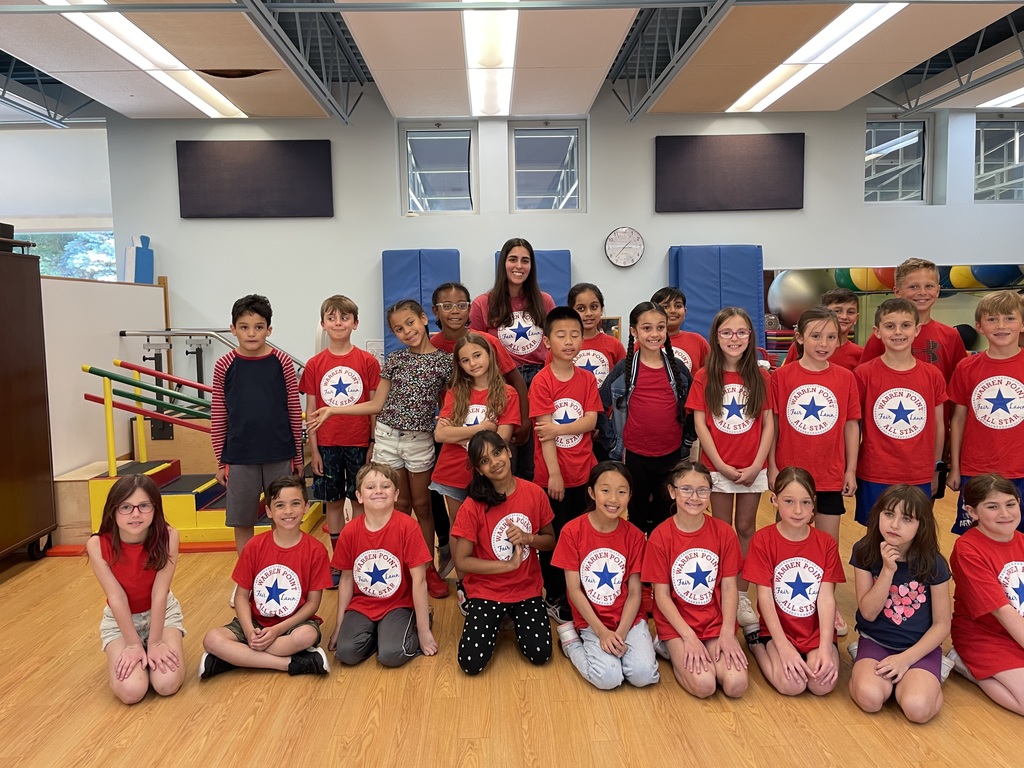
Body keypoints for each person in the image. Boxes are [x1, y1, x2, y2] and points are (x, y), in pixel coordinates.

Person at [307, 299, 452, 598]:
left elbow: (446, 405)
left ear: (424, 319)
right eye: (399, 329)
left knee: (423, 506)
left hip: (419, 441)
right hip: (387, 437)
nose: (407, 331)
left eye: (410, 323)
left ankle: (427, 568)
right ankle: (401, 566)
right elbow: (376, 404)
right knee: (398, 506)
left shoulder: (443, 362)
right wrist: (334, 410)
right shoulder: (395, 360)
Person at [212, 293, 303, 606]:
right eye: (244, 326)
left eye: (258, 326)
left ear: (269, 329)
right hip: (239, 457)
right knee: (242, 521)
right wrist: (221, 458)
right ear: (233, 329)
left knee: (287, 516)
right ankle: (247, 582)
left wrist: (298, 456)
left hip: (279, 455)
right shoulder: (225, 364)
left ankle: (287, 574)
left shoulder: (282, 363)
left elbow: (293, 407)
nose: (252, 333)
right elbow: (219, 413)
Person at [686, 307, 772, 632]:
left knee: (747, 527)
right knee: (722, 529)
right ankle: (722, 588)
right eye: (727, 333)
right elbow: (700, 424)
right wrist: (719, 464)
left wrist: (756, 465)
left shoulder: (761, 377)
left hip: (753, 467)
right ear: (716, 337)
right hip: (718, 467)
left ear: (750, 337)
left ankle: (742, 592)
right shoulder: (704, 376)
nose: (734, 339)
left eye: (741, 332)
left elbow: (768, 424)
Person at [199, 475, 333, 679]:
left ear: (306, 506)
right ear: (269, 511)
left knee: (307, 636)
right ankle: (290, 664)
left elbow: (312, 605)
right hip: (256, 623)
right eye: (280, 505)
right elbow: (242, 596)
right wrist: (250, 630)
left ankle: (234, 658)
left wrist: (277, 630)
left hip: (293, 625)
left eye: (295, 504)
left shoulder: (316, 551)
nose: (288, 511)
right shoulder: (254, 546)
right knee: (212, 639)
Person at [451, 431, 556, 675]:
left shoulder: (534, 493)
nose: (495, 462)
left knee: (540, 654)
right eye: (485, 461)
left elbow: (550, 541)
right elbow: (462, 561)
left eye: (497, 453)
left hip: (525, 588)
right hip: (487, 589)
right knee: (470, 663)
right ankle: (489, 612)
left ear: (508, 451)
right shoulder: (472, 505)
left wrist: (529, 538)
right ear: (479, 470)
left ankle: (509, 617)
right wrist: (507, 566)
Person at [641, 460, 748, 699]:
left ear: (710, 492)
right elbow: (661, 595)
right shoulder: (660, 536)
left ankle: (707, 650)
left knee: (736, 685)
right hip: (678, 626)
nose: (694, 497)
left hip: (714, 622)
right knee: (704, 685)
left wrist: (728, 633)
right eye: (686, 489)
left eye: (702, 490)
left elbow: (730, 587)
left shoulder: (724, 533)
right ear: (672, 491)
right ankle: (667, 647)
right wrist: (688, 637)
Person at [848, 485, 952, 723]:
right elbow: (868, 613)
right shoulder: (864, 551)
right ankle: (864, 659)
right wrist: (887, 570)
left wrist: (905, 659)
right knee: (870, 699)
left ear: (921, 525)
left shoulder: (934, 563)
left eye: (906, 519)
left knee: (918, 709)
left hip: (918, 649)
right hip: (876, 641)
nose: (894, 525)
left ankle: (930, 673)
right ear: (877, 515)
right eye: (889, 514)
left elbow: (941, 625)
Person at [552, 462, 659, 690]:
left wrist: (619, 633)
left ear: (630, 495)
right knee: (608, 678)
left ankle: (636, 646)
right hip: (592, 619)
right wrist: (601, 632)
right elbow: (573, 590)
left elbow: (635, 593)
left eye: (622, 491)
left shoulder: (636, 536)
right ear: (591, 492)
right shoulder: (572, 532)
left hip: (628, 620)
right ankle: (571, 642)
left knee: (643, 675)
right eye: (605, 490)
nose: (613, 499)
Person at [299, 294, 380, 588]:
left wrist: (372, 442)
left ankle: (359, 560)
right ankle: (338, 562)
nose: (338, 323)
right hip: (328, 446)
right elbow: (310, 409)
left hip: (359, 443)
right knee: (333, 503)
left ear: (355, 323)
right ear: (323, 323)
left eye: (344, 318)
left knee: (360, 503)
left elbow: (373, 405)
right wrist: (315, 449)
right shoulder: (314, 364)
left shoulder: (367, 361)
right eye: (331, 318)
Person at [433, 333, 520, 606]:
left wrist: (458, 434)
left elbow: (502, 439)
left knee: (489, 529)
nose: (472, 363)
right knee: (461, 533)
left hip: (490, 477)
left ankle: (489, 581)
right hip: (452, 473)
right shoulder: (456, 392)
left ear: (490, 355)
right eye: (465, 360)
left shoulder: (507, 393)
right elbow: (440, 436)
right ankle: (464, 584)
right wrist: (481, 429)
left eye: (477, 355)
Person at [742, 467, 845, 697]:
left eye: (806, 503)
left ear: (814, 503)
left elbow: (827, 598)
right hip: (779, 629)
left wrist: (826, 648)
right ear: (774, 500)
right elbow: (765, 597)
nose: (798, 510)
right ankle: (757, 644)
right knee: (792, 686)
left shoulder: (826, 543)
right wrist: (783, 647)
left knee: (821, 685)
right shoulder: (763, 540)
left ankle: (816, 653)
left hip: (816, 631)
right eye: (789, 501)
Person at [530, 306, 604, 624]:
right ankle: (556, 593)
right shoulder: (542, 381)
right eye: (561, 335)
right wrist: (555, 474)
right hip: (553, 475)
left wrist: (559, 429)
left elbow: (589, 421)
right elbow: (543, 437)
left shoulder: (586, 378)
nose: (569, 341)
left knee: (582, 534)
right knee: (555, 536)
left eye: (575, 334)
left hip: (585, 471)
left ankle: (582, 588)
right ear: (547, 341)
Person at [86, 475, 185, 704]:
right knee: (132, 691)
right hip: (120, 620)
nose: (136, 514)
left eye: (144, 506)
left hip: (162, 614)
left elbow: (160, 593)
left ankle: (152, 649)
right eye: (126, 507)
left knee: (166, 684)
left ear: (155, 508)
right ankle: (137, 650)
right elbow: (116, 597)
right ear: (113, 510)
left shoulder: (169, 536)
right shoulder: (97, 545)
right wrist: (132, 644)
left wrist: (156, 642)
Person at [768, 306, 860, 552]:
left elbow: (851, 425)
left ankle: (824, 590)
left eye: (831, 337)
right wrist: (772, 467)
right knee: (787, 542)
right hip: (790, 473)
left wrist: (850, 470)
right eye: (816, 336)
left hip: (830, 474)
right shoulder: (781, 377)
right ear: (799, 337)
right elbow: (773, 426)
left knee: (828, 546)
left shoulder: (845, 377)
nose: (824, 343)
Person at [328, 463, 438, 667]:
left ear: (396, 494)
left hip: (398, 604)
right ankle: (379, 634)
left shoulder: (408, 527)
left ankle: (417, 622)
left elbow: (420, 580)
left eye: (385, 486)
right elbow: (346, 579)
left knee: (392, 654)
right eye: (370, 487)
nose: (378, 491)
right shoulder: (350, 531)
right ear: (359, 496)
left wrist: (423, 631)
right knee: (346, 653)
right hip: (363, 604)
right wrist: (339, 626)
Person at [600, 302, 692, 535]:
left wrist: (687, 441)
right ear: (634, 332)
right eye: (647, 328)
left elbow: (695, 407)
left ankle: (661, 565)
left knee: (667, 513)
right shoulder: (624, 369)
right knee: (637, 514)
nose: (654, 334)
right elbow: (598, 404)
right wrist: (612, 442)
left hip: (670, 454)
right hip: (635, 455)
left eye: (660, 328)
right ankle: (638, 566)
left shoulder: (678, 369)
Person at [853, 298, 946, 527]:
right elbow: (853, 426)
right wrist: (851, 469)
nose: (898, 332)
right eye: (890, 326)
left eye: (905, 325)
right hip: (875, 472)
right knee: (876, 537)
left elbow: (939, 425)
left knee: (914, 538)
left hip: (919, 473)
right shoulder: (863, 374)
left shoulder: (932, 375)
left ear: (917, 330)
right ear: (877, 331)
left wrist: (936, 468)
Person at [470, 237, 556, 480]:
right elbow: (474, 348)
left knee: (533, 456)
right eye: (513, 259)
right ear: (503, 264)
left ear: (532, 266)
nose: (519, 266)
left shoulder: (544, 300)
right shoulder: (483, 303)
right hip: (502, 382)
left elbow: (551, 346)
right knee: (504, 452)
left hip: (538, 380)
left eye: (525, 260)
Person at [947, 291, 1024, 534]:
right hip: (976, 470)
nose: (1001, 326)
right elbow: (957, 420)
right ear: (979, 326)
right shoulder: (967, 367)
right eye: (992, 319)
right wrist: (956, 467)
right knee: (975, 535)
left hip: (1020, 469)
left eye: (1009, 319)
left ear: (1022, 324)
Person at [948, 474, 1024, 715]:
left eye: (1010, 504)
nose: (1005, 513)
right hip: (986, 636)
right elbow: (1001, 611)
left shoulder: (1022, 540)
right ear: (972, 512)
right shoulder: (968, 549)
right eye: (993, 507)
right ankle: (968, 666)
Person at [860, 258, 967, 384]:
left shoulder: (951, 336)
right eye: (913, 287)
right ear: (897, 292)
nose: (922, 292)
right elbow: (865, 380)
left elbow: (960, 384)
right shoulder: (883, 336)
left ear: (937, 291)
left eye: (929, 286)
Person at [783, 288, 863, 371]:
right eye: (837, 311)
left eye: (850, 312)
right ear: (824, 313)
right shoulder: (801, 345)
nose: (844, 317)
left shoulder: (860, 354)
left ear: (856, 318)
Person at [651, 286, 710, 374]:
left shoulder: (698, 341)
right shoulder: (645, 342)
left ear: (685, 311)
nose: (673, 310)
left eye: (678, 306)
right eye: (666, 306)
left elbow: (711, 374)